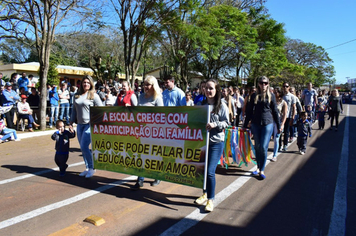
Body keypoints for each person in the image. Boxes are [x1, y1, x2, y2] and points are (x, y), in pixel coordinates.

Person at [194, 79, 229, 212]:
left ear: (216, 90)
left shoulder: (222, 106)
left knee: (210, 172)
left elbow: (226, 123)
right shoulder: (201, 104)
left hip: (216, 143)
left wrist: (216, 124)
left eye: (211, 88)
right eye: (206, 88)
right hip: (203, 142)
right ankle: (204, 193)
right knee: (202, 170)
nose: (208, 91)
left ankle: (211, 199)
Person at [243, 76, 281, 179]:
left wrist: (278, 125)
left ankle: (262, 169)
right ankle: (258, 167)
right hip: (255, 124)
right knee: (258, 147)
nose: (263, 85)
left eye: (265, 83)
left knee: (263, 147)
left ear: (268, 84)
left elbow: (275, 111)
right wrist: (245, 125)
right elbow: (249, 111)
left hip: (267, 123)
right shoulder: (254, 95)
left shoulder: (271, 96)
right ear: (258, 84)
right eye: (261, 83)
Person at [131, 75, 163, 189]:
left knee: (154, 155)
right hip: (142, 131)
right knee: (141, 155)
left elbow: (162, 117)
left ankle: (157, 176)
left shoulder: (157, 98)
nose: (146, 87)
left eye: (148, 84)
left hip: (154, 132)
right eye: (144, 84)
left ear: (153, 86)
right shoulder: (140, 97)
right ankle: (140, 179)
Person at [70, 75, 103, 178]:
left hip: (89, 125)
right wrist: (70, 122)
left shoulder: (94, 96)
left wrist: (97, 122)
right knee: (82, 148)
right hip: (79, 125)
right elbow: (74, 110)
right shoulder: (76, 95)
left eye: (88, 83)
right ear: (81, 84)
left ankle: (92, 168)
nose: (86, 84)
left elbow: (101, 109)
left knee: (84, 146)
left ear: (91, 84)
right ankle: (87, 167)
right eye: (84, 82)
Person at [272, 88, 287, 162]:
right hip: (270, 122)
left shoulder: (283, 103)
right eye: (274, 92)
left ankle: (274, 155)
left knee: (276, 139)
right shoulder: (271, 101)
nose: (275, 93)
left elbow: (284, 115)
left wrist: (282, 124)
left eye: (277, 92)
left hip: (279, 122)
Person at [281, 82, 296, 151]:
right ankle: (279, 145)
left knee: (286, 131)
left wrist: (293, 116)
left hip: (288, 116)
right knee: (280, 131)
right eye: (284, 86)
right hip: (280, 116)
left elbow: (293, 107)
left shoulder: (292, 96)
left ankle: (285, 145)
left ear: (289, 87)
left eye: (286, 86)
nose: (285, 88)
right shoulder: (281, 95)